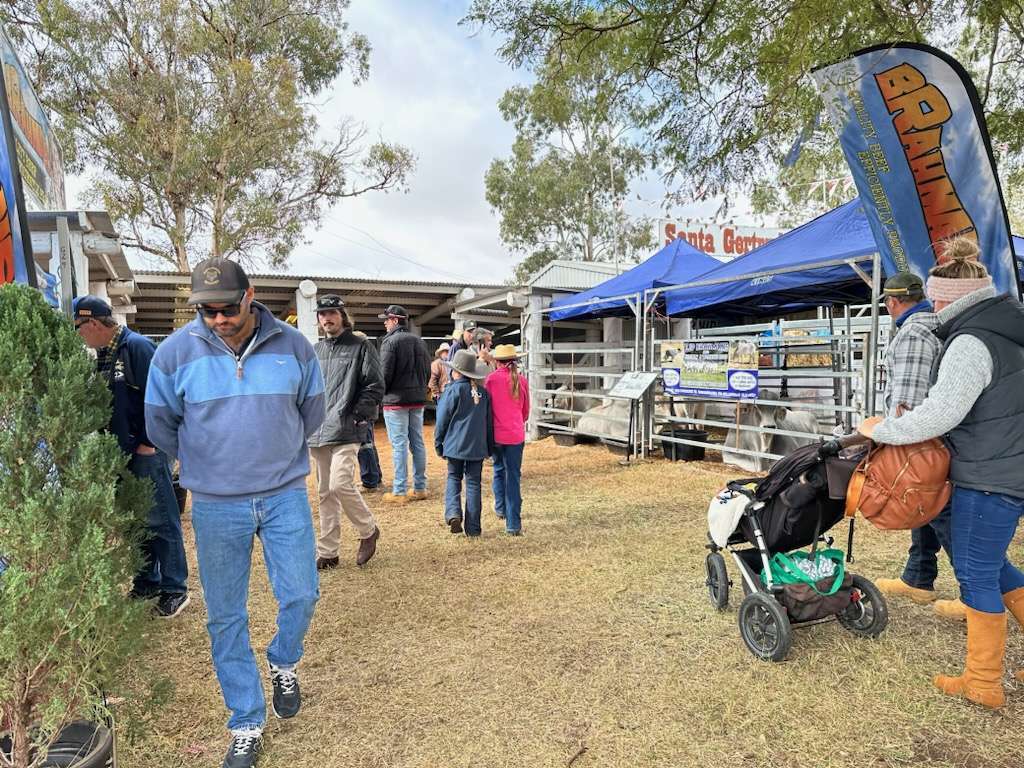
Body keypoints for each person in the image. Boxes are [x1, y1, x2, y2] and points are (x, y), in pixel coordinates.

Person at [145, 258, 325, 767]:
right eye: (207, 310)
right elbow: (160, 423)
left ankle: (284, 660)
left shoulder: (294, 346)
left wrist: (276, 449)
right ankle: (246, 720)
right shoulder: (174, 353)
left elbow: (313, 410)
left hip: (284, 494)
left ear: (249, 296)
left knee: (303, 594)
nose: (219, 319)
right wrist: (204, 460)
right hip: (216, 505)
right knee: (226, 617)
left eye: (227, 307)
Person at [859, 239, 1024, 710]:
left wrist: (883, 429)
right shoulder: (1009, 329)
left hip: (985, 474)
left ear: (946, 298)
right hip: (1009, 467)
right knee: (995, 566)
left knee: (975, 575)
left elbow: (939, 414)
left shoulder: (972, 342)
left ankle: (983, 682)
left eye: (936, 301)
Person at [73, 295, 190, 619]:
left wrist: (150, 442)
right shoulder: (103, 355)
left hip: (147, 450)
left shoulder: (137, 348)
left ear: (94, 324)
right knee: (136, 522)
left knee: (162, 520)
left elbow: (165, 396)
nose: (79, 336)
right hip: (121, 454)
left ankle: (174, 589)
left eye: (79, 329)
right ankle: (146, 581)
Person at [872, 273, 964, 619]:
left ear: (892, 302)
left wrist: (893, 436)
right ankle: (918, 576)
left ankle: (976, 593)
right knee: (921, 503)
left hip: (920, 439)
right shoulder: (935, 326)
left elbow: (907, 400)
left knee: (937, 508)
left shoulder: (912, 333)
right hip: (938, 435)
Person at [307, 295, 383, 570]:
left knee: (340, 484)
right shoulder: (315, 351)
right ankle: (328, 551)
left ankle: (368, 530)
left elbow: (374, 384)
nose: (326, 318)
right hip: (317, 429)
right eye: (322, 314)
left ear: (342, 315)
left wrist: (358, 415)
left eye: (332, 313)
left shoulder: (361, 345)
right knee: (325, 492)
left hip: (347, 427)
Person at [435, 349, 494, 536]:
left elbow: (442, 420)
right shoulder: (483, 394)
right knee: (473, 483)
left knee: (454, 477)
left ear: (455, 371)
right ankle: (474, 528)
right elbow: (489, 423)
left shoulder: (453, 390)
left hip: (455, 445)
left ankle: (453, 513)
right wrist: (489, 446)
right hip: (477, 446)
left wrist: (439, 443)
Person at [378, 305, 432, 503]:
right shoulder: (419, 341)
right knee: (417, 443)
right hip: (417, 400)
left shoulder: (389, 342)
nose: (384, 323)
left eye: (386, 319)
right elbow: (427, 371)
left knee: (399, 445)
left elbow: (384, 374)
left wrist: (380, 395)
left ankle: (399, 490)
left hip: (395, 401)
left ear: (394, 320)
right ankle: (420, 487)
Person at [485, 345, 530, 536]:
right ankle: (513, 523)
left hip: (496, 434)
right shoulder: (522, 381)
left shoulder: (491, 380)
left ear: (496, 361)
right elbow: (526, 412)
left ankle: (500, 507)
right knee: (513, 476)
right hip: (515, 434)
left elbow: (486, 409)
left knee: (498, 469)